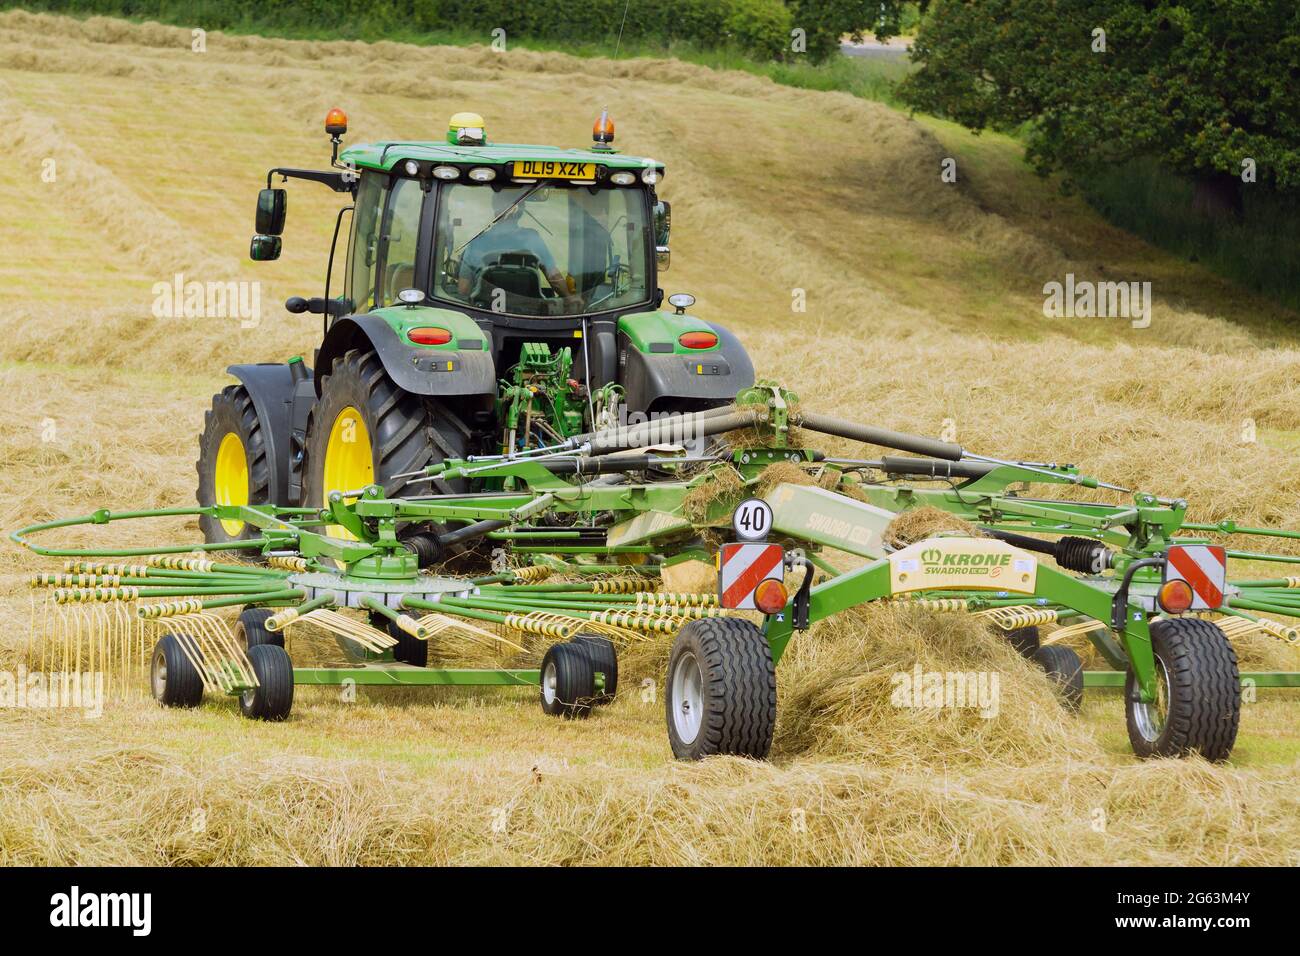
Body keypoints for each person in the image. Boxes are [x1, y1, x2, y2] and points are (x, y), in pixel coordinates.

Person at [456, 188, 580, 312]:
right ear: (519, 210)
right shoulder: (532, 239)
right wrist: (570, 299)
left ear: (495, 210)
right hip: (527, 315)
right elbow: (554, 278)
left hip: (485, 313)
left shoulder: (476, 243)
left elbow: (463, 289)